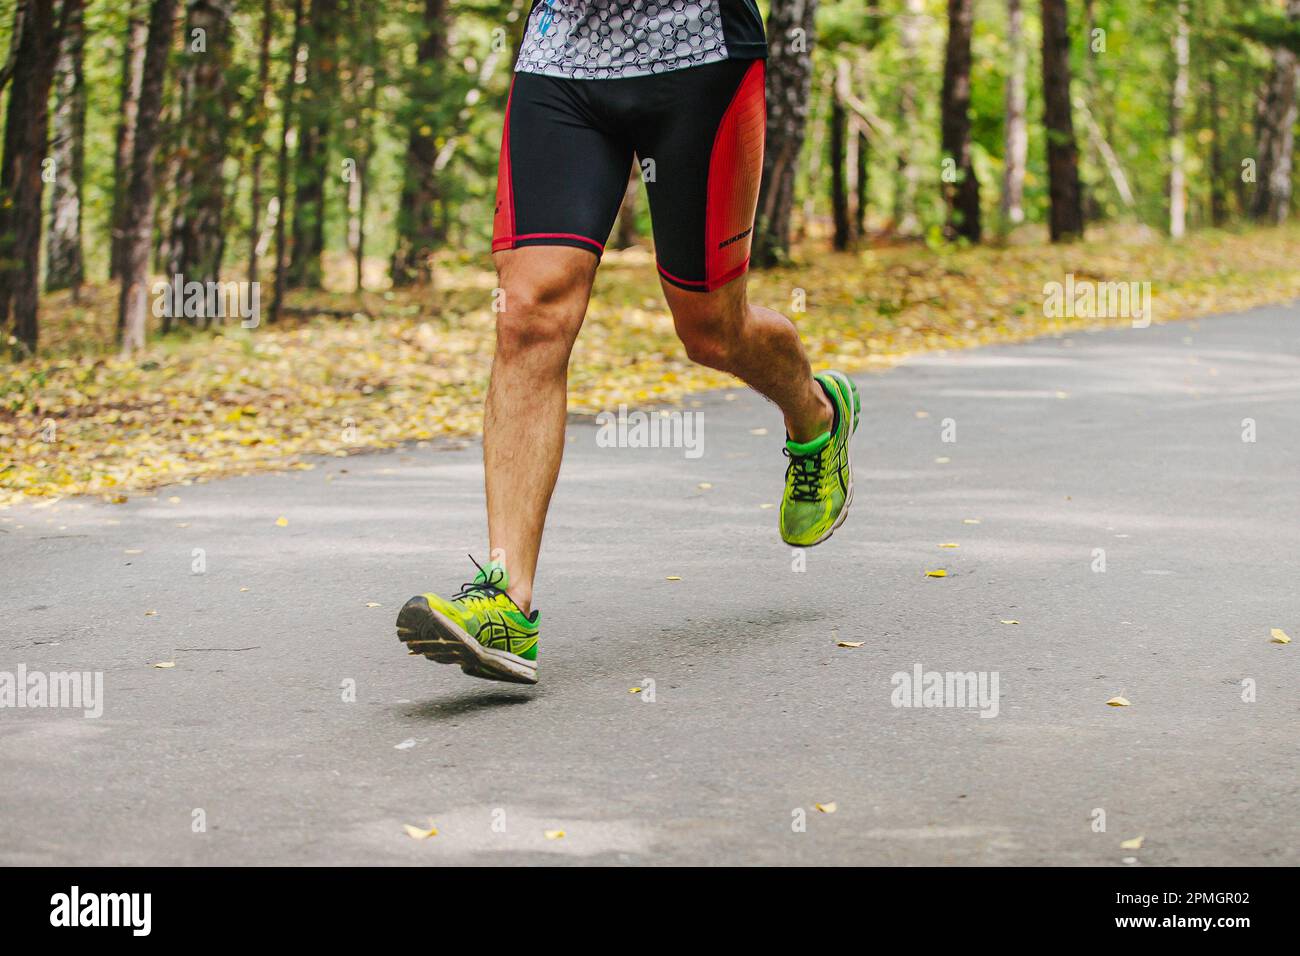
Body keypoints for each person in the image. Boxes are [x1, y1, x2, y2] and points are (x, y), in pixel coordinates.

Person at [396, 1, 859, 684]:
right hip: (563, 57)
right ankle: (506, 602)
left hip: (700, 58)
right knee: (529, 312)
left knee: (711, 330)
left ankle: (815, 413)